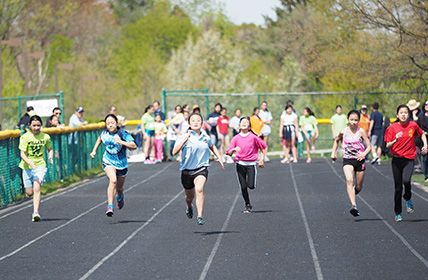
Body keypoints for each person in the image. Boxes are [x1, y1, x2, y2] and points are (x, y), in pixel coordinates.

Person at [173, 112, 224, 225]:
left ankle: (200, 215)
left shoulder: (205, 137)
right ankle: (189, 206)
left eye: (198, 120)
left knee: (199, 189)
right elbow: (174, 152)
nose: (196, 122)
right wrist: (183, 140)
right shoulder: (184, 136)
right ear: (189, 123)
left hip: (201, 168)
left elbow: (212, 146)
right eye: (193, 121)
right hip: (186, 171)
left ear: (202, 123)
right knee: (189, 197)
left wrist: (219, 157)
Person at [385, 105, 427, 222]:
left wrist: (425, 145)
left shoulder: (413, 125)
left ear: (408, 115)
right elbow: (387, 145)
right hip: (396, 160)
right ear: (397, 115)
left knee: (407, 181)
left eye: (405, 112)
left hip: (409, 159)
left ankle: (407, 197)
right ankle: (398, 212)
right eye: (401, 113)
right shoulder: (392, 128)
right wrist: (395, 140)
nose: (403, 114)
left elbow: (422, 133)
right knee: (398, 188)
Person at [90, 114, 137, 217]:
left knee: (119, 188)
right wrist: (94, 151)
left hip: (121, 164)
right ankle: (110, 206)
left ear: (116, 123)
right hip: (108, 161)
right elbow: (99, 139)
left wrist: (121, 141)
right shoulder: (104, 133)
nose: (110, 125)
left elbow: (134, 146)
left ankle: (120, 195)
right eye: (108, 123)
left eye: (112, 123)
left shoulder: (122, 134)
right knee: (113, 180)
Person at [331, 110, 371, 217]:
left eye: (356, 120)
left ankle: (354, 192)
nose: (353, 122)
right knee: (349, 180)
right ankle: (354, 206)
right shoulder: (343, 131)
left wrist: (363, 154)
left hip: (359, 160)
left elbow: (369, 146)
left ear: (359, 121)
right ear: (348, 120)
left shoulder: (361, 131)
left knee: (358, 187)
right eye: (351, 120)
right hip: (348, 159)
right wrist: (333, 153)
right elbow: (336, 140)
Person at [226, 117, 267, 213]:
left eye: (246, 122)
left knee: (251, 186)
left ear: (249, 127)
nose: (244, 123)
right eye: (242, 122)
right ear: (239, 126)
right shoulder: (235, 138)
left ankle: (250, 188)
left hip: (251, 164)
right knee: (243, 187)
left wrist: (261, 159)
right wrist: (233, 150)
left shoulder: (253, 137)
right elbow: (228, 152)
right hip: (240, 164)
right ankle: (247, 204)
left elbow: (263, 147)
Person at [19, 115, 53, 222]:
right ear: (29, 125)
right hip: (27, 166)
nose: (36, 128)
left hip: (40, 166)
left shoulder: (45, 137)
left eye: (38, 125)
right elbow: (22, 154)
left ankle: (35, 212)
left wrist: (50, 155)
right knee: (29, 192)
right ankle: (29, 194)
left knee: (37, 188)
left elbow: (50, 148)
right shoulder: (25, 137)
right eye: (34, 125)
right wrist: (29, 162)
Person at [417, 101, 428, 182]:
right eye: (426, 105)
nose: (427, 106)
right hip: (424, 139)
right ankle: (426, 175)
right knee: (425, 157)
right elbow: (418, 127)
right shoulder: (421, 116)